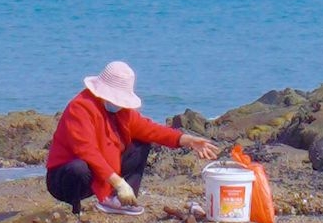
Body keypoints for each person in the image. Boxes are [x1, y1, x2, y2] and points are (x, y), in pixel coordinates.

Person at [45, 61, 212, 214]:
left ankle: (122, 201)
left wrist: (185, 139)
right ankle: (75, 210)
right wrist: (118, 183)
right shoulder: (80, 108)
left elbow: (150, 129)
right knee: (79, 167)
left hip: (100, 176)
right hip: (64, 179)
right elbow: (87, 152)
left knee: (141, 144)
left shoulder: (122, 112)